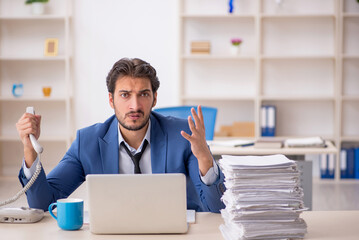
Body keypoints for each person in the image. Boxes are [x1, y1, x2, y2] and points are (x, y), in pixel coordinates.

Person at [16, 58, 225, 213]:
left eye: (143, 94)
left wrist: (205, 157)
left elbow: (216, 208)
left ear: (154, 99)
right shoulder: (87, 142)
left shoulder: (184, 137)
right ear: (111, 100)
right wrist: (29, 149)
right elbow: (43, 205)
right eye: (125, 95)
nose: (134, 105)